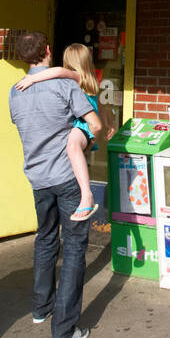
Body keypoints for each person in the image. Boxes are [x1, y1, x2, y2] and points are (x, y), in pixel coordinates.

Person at [8, 32, 102, 338]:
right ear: (49, 50)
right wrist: (83, 136)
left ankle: (41, 308)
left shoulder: (15, 92)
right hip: (67, 178)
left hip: (38, 179)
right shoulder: (65, 86)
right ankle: (64, 329)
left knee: (45, 240)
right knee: (74, 249)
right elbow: (93, 122)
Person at [12, 42, 103, 222]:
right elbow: (99, 107)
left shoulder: (74, 76)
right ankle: (86, 192)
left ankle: (87, 195)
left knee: (71, 145)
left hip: (81, 124)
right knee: (74, 148)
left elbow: (58, 72)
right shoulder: (90, 79)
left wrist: (32, 79)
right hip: (86, 125)